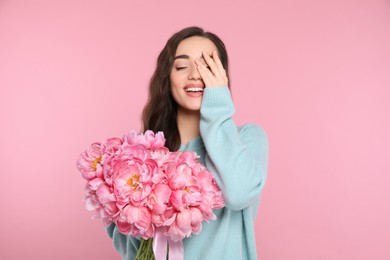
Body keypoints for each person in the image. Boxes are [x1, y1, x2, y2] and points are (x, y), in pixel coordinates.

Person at [106, 26, 269, 260]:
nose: (195, 74)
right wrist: (115, 202)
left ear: (221, 77)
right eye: (182, 66)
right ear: (167, 78)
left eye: (207, 66)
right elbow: (133, 251)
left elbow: (239, 192)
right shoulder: (144, 157)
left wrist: (218, 106)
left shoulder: (247, 139)